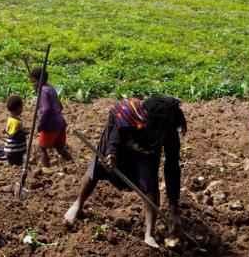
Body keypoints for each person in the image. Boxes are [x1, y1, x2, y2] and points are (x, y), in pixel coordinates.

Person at [63, 96, 187, 249]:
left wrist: (173, 210)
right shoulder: (129, 112)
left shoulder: (169, 132)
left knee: (150, 185)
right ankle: (78, 204)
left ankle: (149, 233)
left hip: (146, 152)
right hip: (121, 141)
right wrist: (111, 154)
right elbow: (115, 133)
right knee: (97, 168)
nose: (164, 132)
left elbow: (172, 167)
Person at [29, 67, 72, 167]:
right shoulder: (50, 88)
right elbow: (60, 106)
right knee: (59, 147)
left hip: (50, 125)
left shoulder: (43, 91)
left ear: (39, 81)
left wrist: (41, 124)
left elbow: (46, 109)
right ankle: (73, 164)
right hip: (60, 122)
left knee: (42, 148)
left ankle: (46, 168)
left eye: (33, 82)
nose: (32, 85)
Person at [3, 95, 27, 166]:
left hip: (10, 150)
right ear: (18, 108)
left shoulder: (10, 119)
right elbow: (13, 135)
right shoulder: (16, 122)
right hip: (15, 151)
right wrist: (23, 133)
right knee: (19, 164)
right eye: (22, 107)